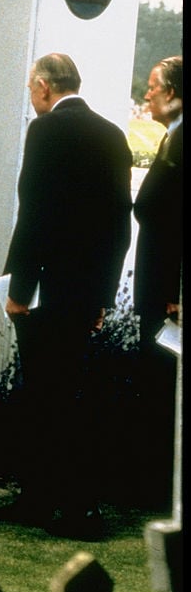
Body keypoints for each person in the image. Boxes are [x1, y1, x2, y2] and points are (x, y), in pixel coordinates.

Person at [0, 52, 133, 538]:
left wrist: (19, 287)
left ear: (41, 86)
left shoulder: (45, 131)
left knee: (43, 394)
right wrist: (101, 295)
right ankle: (76, 503)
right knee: (76, 395)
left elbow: (35, 210)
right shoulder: (113, 134)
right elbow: (120, 223)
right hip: (85, 288)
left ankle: (46, 499)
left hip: (48, 285)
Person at [132, 55, 182, 498]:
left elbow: (170, 216)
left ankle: (159, 482)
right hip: (164, 283)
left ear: (172, 92)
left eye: (153, 86)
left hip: (168, 290)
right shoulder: (174, 137)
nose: (146, 94)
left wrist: (173, 290)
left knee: (164, 380)